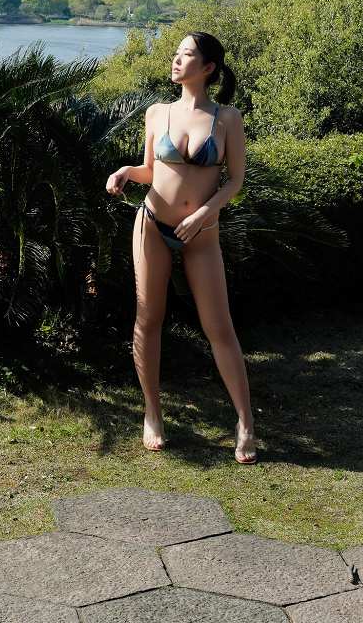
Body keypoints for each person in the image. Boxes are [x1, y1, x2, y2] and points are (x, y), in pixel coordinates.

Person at [106, 31, 258, 464]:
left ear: (208, 67)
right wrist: (124, 172)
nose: (176, 60)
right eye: (176, 53)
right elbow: (150, 170)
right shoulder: (157, 112)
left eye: (186, 54)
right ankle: (153, 413)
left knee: (219, 328)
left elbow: (235, 180)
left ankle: (246, 423)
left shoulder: (227, 118)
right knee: (147, 318)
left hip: (201, 233)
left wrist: (204, 213)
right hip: (152, 224)